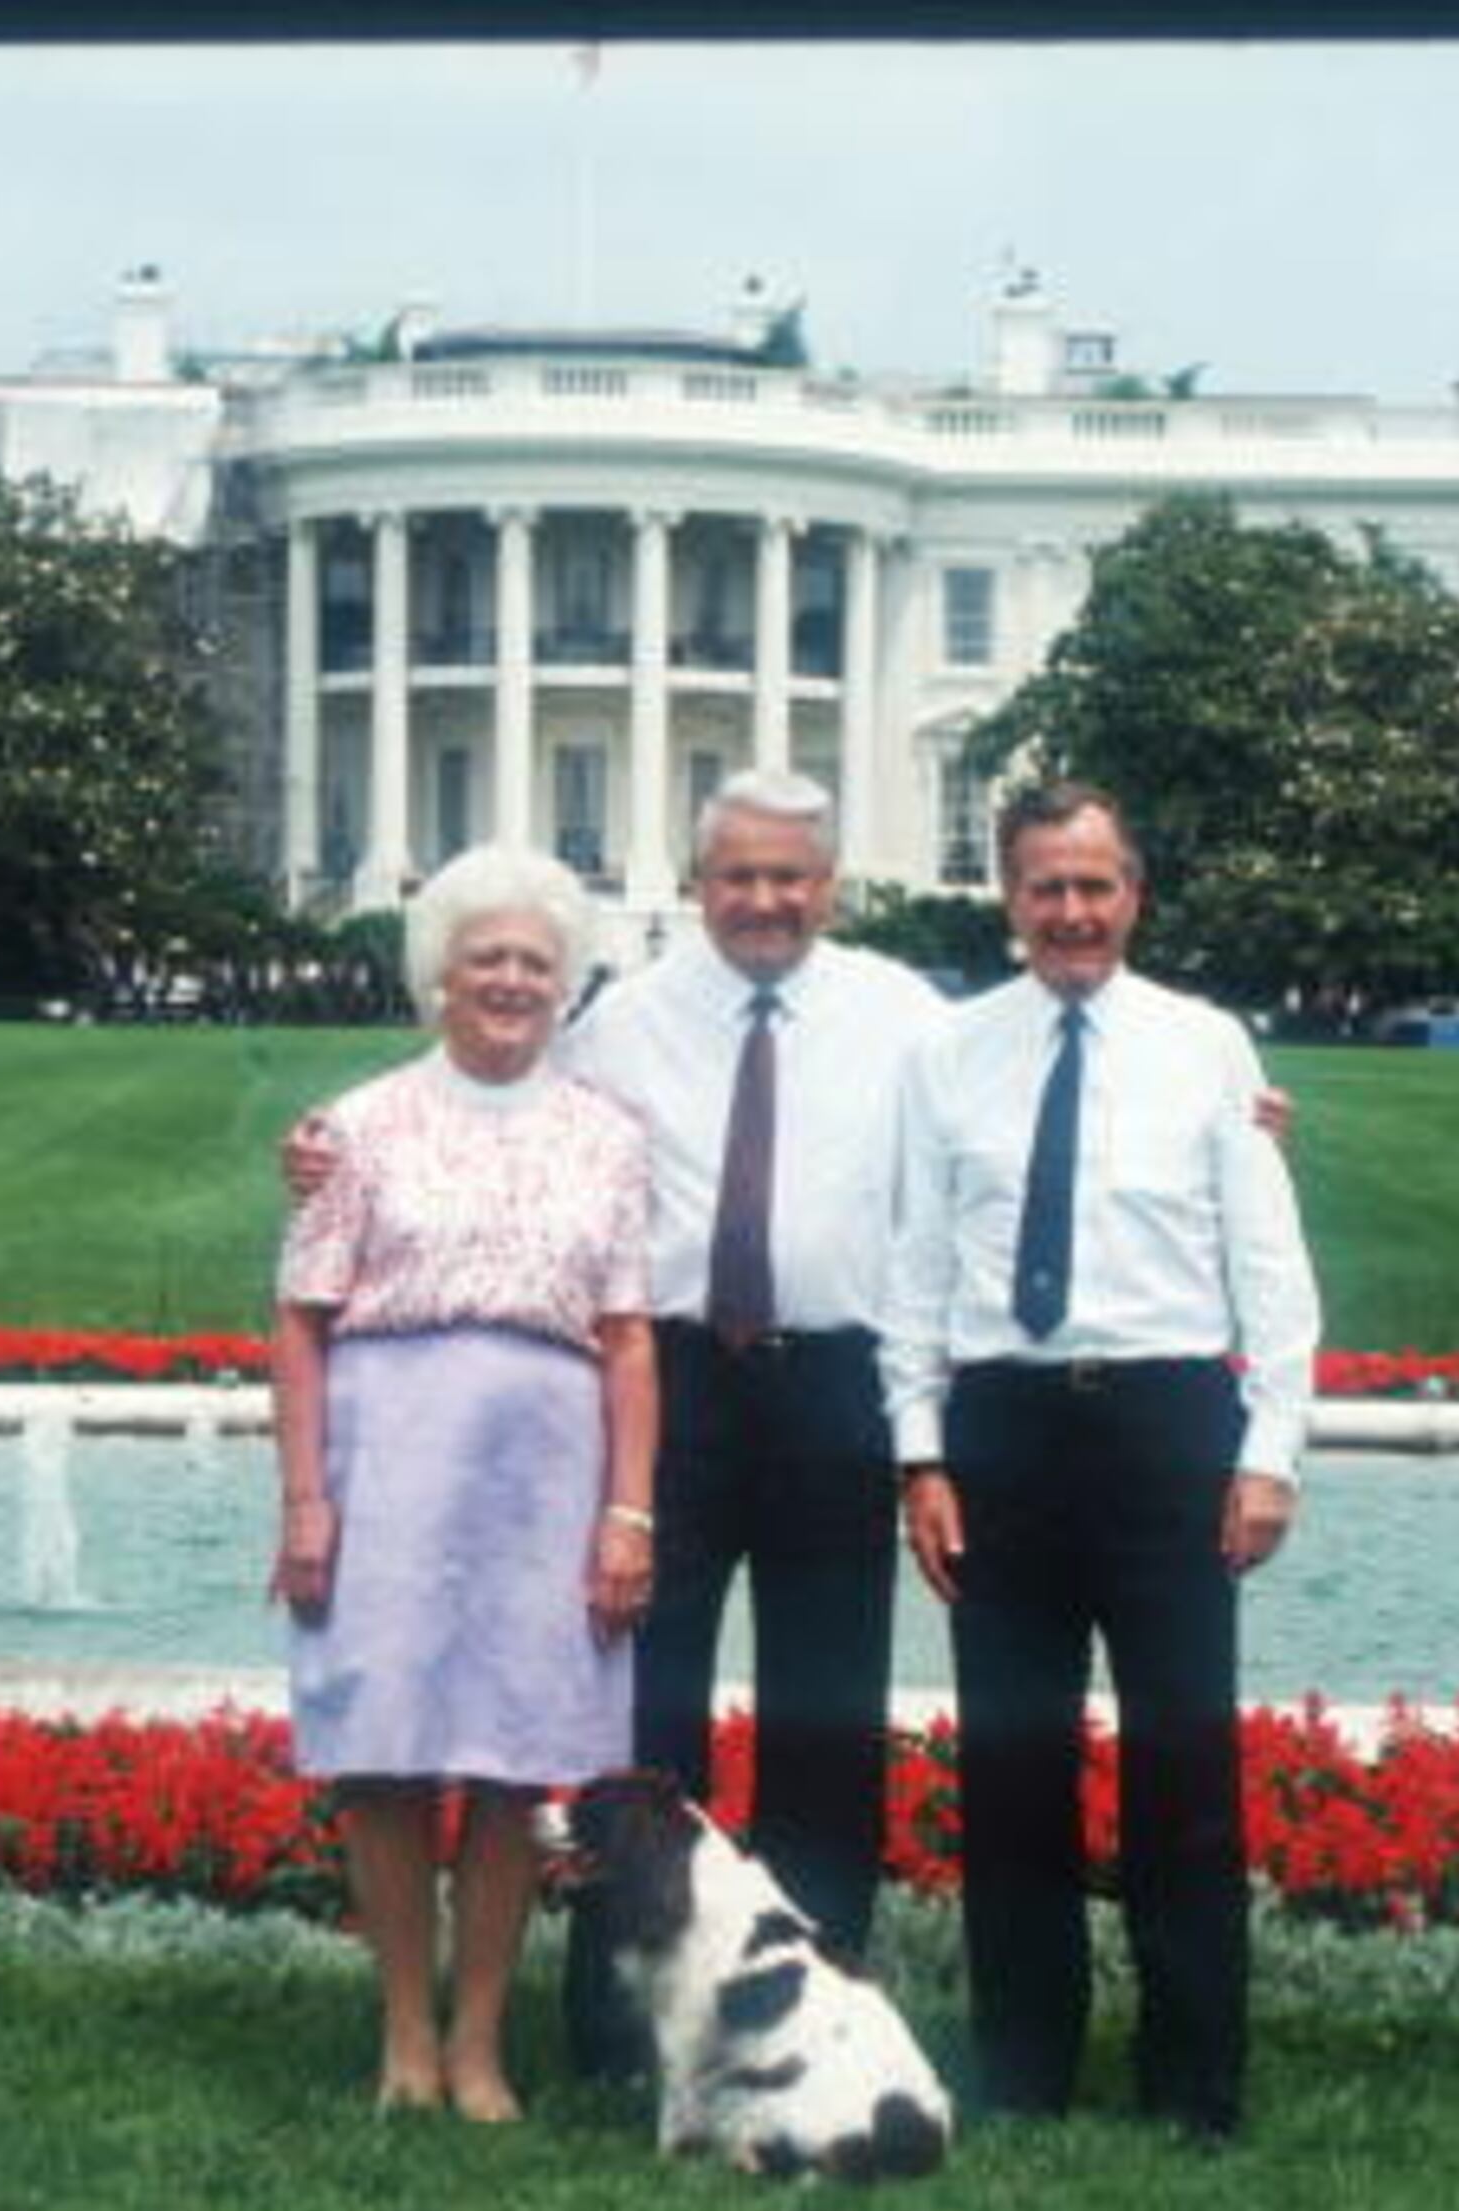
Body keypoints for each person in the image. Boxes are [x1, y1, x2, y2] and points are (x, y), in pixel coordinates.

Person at [288, 772, 950, 2081]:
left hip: (833, 1388)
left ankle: (813, 2018)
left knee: (826, 1718)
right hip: (670, 1387)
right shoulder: (622, 1020)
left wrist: (1236, 1105)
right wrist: (320, 1154)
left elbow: (1012, 1085)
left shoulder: (909, 1013)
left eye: (791, 876)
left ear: (832, 884)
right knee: (640, 1729)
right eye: (739, 876)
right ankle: (617, 2023)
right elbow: (497, 1101)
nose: (765, 899)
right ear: (699, 885)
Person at [879, 781, 1321, 2146]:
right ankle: (1022, 2065)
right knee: (1013, 1766)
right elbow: (912, 1267)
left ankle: (1197, 2078)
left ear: (1135, 894)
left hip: (1167, 1426)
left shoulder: (1208, 1048)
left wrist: (1271, 1453)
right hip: (1005, 1430)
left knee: (1185, 1763)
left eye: (1097, 885)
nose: (1072, 913)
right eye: (1045, 888)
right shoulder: (947, 1055)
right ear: (1007, 898)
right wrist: (921, 1452)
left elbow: (1270, 1268)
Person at [269, 844, 659, 2123]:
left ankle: (481, 2039)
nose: (508, 980)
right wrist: (308, 1500)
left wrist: (628, 1511)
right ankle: (403, 2038)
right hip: (389, 1454)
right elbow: (301, 1318)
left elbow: (629, 1336)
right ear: (439, 976)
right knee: (383, 1753)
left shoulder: (605, 1137)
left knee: (508, 1760)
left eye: (535, 963)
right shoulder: (358, 1128)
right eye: (484, 957)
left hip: (545, 1465)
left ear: (565, 987)